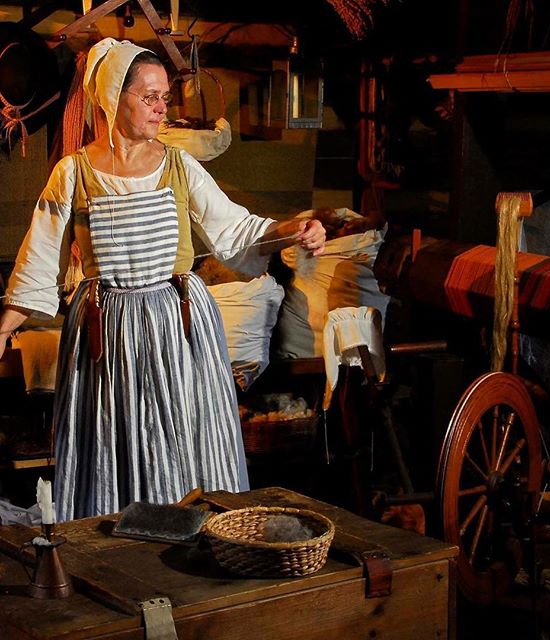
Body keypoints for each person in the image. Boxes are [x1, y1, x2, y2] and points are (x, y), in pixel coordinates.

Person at [0, 38, 325, 521]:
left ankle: (193, 537)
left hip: (176, 322)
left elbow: (234, 229)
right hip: (106, 330)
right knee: (114, 437)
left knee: (178, 435)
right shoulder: (74, 173)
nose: (160, 107)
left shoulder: (179, 165)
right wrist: (3, 328)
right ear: (114, 98)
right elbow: (40, 258)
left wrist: (292, 229)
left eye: (164, 97)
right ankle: (112, 541)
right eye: (147, 96)